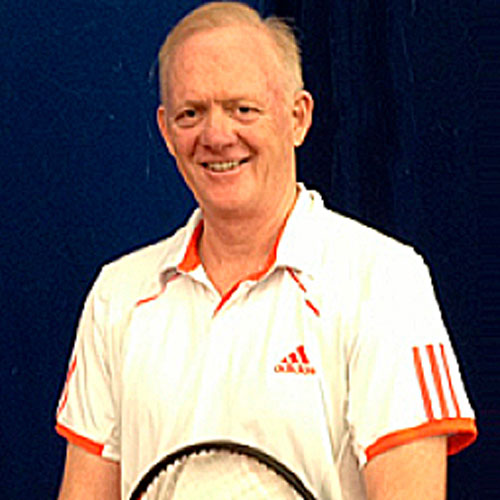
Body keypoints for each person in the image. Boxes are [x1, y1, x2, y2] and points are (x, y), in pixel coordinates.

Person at [55, 2, 477, 499]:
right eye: (191, 114)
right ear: (166, 131)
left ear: (298, 118)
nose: (216, 136)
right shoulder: (118, 294)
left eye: (243, 109)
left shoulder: (384, 280)